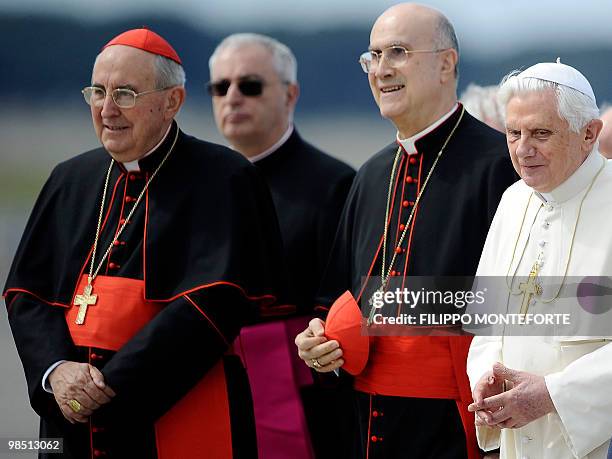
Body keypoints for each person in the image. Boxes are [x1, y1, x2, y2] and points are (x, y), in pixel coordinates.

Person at [4, 28, 286, 459]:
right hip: (69, 420)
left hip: (175, 409)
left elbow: (214, 302)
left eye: (126, 94)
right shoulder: (69, 178)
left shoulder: (224, 177)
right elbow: (28, 294)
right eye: (98, 92)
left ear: (172, 101)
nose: (108, 108)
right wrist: (56, 373)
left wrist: (106, 388)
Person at [294, 4, 517, 458]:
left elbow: (533, 303)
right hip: (366, 426)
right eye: (372, 57)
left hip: (458, 430)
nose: (381, 69)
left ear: (445, 63)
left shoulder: (501, 167)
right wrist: (317, 336)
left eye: (397, 52)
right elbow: (334, 294)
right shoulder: (371, 174)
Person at [208, 33, 356, 459]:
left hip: (303, 395)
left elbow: (344, 303)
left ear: (290, 94)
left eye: (250, 85)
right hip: (210, 387)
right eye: (221, 87)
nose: (232, 97)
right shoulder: (200, 184)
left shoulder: (335, 184)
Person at [467, 61, 612, 458]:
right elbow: (485, 325)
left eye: (540, 133)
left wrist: (553, 395)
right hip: (521, 441)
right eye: (513, 133)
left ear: (589, 133)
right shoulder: (512, 201)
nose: (522, 149)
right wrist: (486, 380)